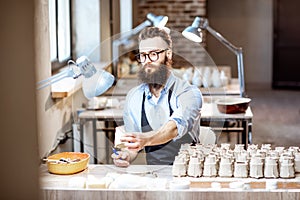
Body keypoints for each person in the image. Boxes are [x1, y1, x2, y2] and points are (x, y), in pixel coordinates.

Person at [112, 27, 203, 167]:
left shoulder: (189, 93)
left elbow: (174, 128)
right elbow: (132, 145)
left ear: (168, 54)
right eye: (143, 55)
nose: (147, 61)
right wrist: (125, 155)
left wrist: (145, 139)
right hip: (155, 174)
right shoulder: (134, 97)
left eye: (153, 54)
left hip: (188, 173)